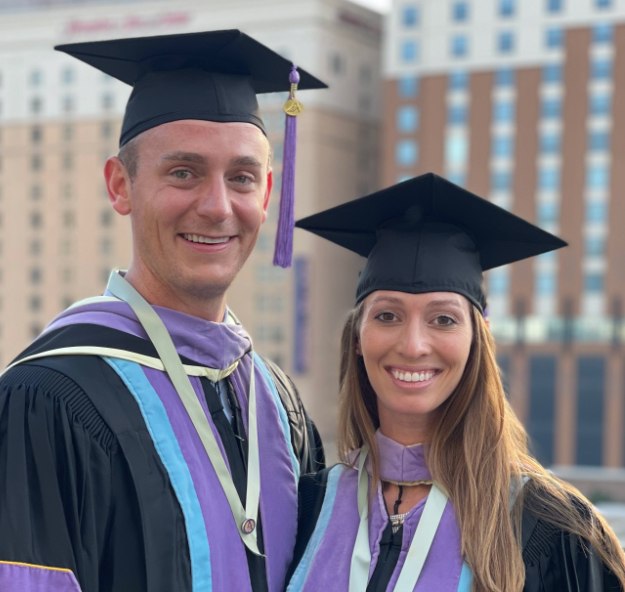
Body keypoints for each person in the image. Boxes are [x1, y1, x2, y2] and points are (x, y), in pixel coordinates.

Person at [0, 30, 325, 592]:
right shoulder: (48, 399)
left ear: (268, 193)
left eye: (242, 178)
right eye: (184, 172)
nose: (218, 206)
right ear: (120, 185)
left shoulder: (277, 403)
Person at [287, 172, 625, 591]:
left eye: (443, 319)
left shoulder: (552, 527)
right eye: (387, 315)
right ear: (358, 337)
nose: (413, 345)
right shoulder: (307, 507)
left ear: (476, 339)